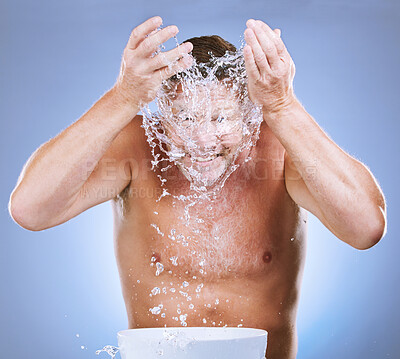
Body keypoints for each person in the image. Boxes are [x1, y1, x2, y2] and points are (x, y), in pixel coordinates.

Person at [8, 15, 387, 359]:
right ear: (162, 115)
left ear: (249, 112)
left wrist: (283, 105)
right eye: (185, 117)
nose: (203, 140)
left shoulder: (281, 149)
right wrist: (123, 97)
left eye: (221, 117)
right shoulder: (140, 147)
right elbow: (30, 209)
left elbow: (366, 228)